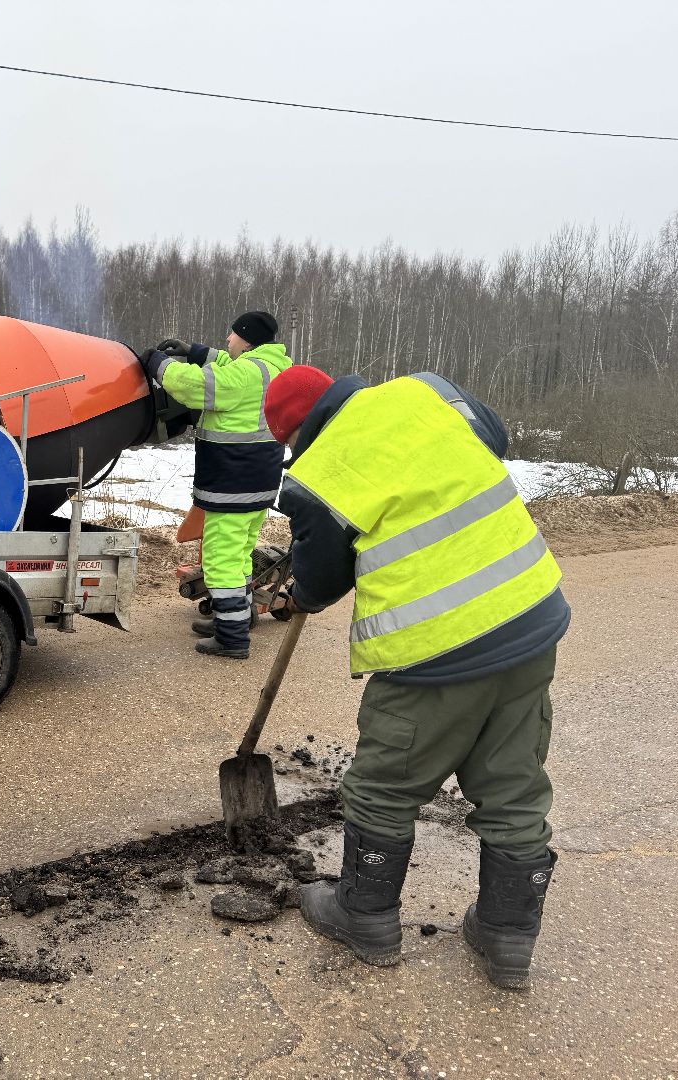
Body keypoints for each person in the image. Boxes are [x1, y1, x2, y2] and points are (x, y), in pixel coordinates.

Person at [261, 363, 570, 991]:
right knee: (512, 785)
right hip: (530, 612)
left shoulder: (320, 474)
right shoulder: (424, 392)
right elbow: (496, 438)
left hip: (437, 650)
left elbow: (319, 581)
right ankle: (507, 938)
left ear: (296, 437)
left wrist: (302, 590)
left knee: (383, 785)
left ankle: (365, 915)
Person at [144, 312, 291, 658]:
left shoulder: (246, 374)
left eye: (234, 333)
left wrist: (157, 363)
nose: (228, 339)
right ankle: (238, 617)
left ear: (248, 338)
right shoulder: (272, 367)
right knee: (239, 555)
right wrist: (195, 350)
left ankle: (232, 638)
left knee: (221, 560)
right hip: (257, 483)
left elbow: (195, 386)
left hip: (233, 482)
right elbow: (227, 363)